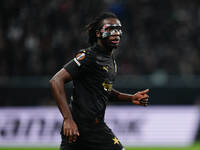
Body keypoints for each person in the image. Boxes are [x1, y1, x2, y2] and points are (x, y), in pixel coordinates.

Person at [50, 12, 149, 150]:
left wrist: (131, 98)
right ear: (98, 33)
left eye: (118, 29)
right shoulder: (88, 56)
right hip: (81, 127)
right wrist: (68, 119)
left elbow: (103, 91)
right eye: (110, 29)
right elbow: (56, 81)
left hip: (90, 128)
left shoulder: (111, 62)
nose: (116, 33)